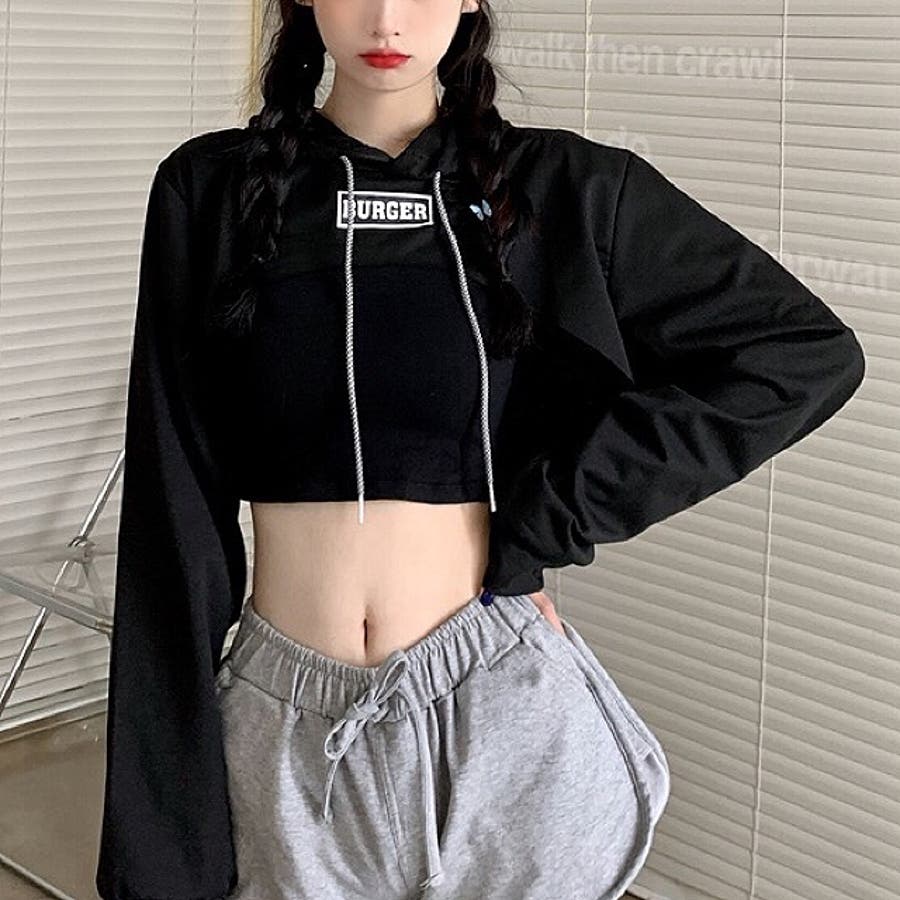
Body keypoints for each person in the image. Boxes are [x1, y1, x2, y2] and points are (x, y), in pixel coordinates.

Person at [95, 1, 866, 899]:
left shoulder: (565, 188)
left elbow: (800, 354)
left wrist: (543, 522)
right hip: (287, 721)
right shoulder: (210, 191)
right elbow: (172, 513)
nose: (387, 16)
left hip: (496, 696)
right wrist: (158, 846)